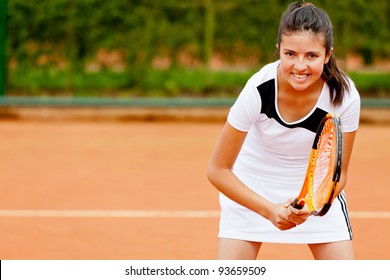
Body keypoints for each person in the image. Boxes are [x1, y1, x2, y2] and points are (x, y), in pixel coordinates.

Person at [207, 1, 360, 260]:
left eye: (311, 55)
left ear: (328, 55)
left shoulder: (344, 97)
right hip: (251, 191)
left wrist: (310, 205)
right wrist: (269, 210)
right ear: (279, 50)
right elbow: (217, 170)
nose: (299, 66)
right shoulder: (258, 89)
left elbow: (339, 174)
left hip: (315, 193)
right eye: (290, 54)